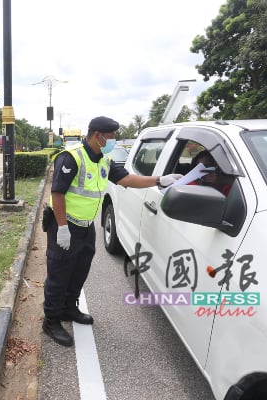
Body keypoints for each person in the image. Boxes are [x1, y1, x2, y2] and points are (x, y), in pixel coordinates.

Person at [42, 116, 182, 346]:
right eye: (111, 136)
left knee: (79, 272)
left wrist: (159, 180)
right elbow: (57, 193)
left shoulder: (103, 161)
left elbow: (127, 179)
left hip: (86, 227)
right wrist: (63, 229)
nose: (114, 140)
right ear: (98, 135)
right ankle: (51, 320)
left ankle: (68, 309)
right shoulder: (72, 157)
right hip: (64, 226)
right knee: (59, 275)